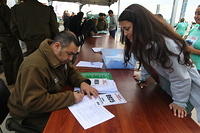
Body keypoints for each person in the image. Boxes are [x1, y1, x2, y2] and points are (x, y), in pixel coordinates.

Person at [118, 4, 200, 122]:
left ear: (141, 26)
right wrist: (143, 77)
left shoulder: (167, 44)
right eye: (123, 29)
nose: (125, 33)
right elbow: (147, 62)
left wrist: (179, 102)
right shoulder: (142, 42)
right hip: (170, 86)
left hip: (186, 89)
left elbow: (181, 78)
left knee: (177, 122)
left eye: (127, 29)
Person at [7, 31, 99, 132]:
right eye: (69, 54)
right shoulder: (34, 67)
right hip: (28, 115)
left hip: (46, 103)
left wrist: (82, 82)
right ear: (57, 46)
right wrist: (71, 97)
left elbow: (70, 71)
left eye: (74, 54)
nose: (71, 58)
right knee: (67, 127)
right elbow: (33, 102)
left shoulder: (59, 57)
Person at [0, 0, 23, 85]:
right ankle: (17, 79)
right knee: (17, 57)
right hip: (9, 36)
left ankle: (9, 80)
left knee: (6, 58)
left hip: (1, 37)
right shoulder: (4, 8)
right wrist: (18, 35)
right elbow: (11, 24)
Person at [185, 6, 200, 74]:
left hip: (198, 69)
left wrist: (193, 50)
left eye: (199, 13)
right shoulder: (195, 28)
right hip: (188, 65)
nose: (195, 16)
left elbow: (190, 49)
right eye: (195, 13)